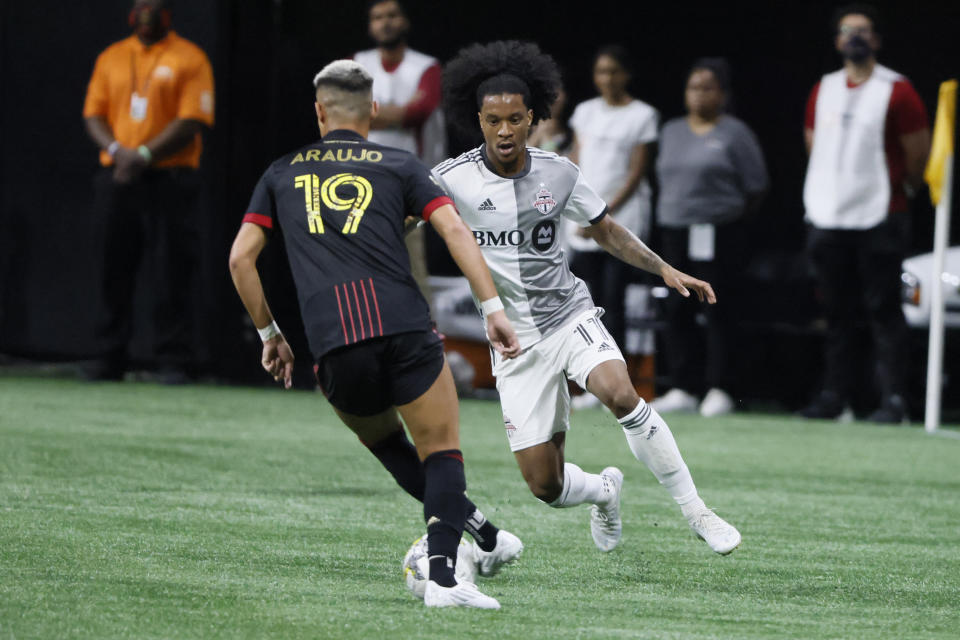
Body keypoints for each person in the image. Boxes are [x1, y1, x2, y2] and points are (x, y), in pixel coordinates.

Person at [229, 60, 524, 609]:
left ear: (318, 111)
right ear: (373, 111)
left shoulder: (280, 172)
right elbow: (454, 229)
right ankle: (443, 579)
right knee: (441, 453)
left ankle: (486, 537)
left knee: (393, 448)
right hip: (404, 327)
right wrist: (492, 308)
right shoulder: (400, 164)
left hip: (334, 343)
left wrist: (271, 333)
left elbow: (241, 260)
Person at [434, 41, 741, 556]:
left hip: (567, 315)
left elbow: (607, 231)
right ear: (478, 120)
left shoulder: (558, 172)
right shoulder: (452, 179)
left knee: (622, 394)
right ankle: (603, 491)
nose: (505, 130)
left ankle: (698, 512)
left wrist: (663, 268)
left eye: (516, 118)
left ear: (534, 117)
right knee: (545, 486)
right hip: (515, 344)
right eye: (494, 120)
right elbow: (400, 219)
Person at [800, 4, 930, 423]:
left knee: (884, 310)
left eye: (864, 30)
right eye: (847, 30)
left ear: (876, 39)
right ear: (837, 41)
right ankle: (835, 396)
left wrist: (895, 190)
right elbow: (812, 141)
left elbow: (918, 155)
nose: (855, 37)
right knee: (836, 313)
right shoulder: (825, 87)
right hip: (827, 216)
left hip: (880, 214)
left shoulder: (898, 89)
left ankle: (892, 399)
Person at [81, 0, 214, 383]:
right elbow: (94, 113)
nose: (146, 13)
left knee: (173, 268)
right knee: (112, 265)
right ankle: (109, 355)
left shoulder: (190, 57)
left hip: (171, 177)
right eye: (140, 6)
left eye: (153, 6)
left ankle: (174, 359)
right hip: (118, 176)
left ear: (167, 12)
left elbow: (192, 119)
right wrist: (117, 152)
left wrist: (143, 154)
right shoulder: (112, 57)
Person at [652, 58, 769, 417]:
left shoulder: (735, 133)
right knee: (676, 308)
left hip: (719, 233)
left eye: (707, 87)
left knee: (718, 308)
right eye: (693, 87)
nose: (698, 94)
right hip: (674, 230)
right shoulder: (671, 130)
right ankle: (683, 386)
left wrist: (726, 215)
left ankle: (720, 387)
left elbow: (757, 187)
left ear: (722, 94)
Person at [565, 46, 659, 410]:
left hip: (620, 219)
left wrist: (602, 215)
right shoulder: (585, 112)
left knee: (614, 302)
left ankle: (616, 387)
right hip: (586, 218)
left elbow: (636, 172)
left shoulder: (642, 115)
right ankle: (592, 382)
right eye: (601, 71)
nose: (607, 79)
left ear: (626, 75)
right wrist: (579, 211)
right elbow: (575, 160)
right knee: (587, 305)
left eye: (614, 72)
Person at [354, 0, 446, 310]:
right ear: (370, 26)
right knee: (362, 264)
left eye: (392, 15)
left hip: (408, 180)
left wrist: (369, 111)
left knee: (411, 266)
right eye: (378, 17)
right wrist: (398, 111)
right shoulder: (358, 62)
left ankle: (428, 343)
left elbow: (420, 111)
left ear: (405, 21)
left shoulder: (426, 66)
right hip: (360, 178)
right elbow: (345, 112)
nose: (385, 22)